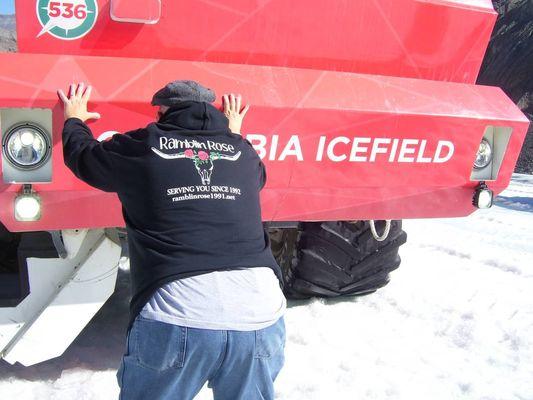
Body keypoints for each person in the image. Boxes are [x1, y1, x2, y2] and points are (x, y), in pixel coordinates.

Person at [58, 80, 287, 400]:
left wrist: (74, 119)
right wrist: (232, 134)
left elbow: (84, 157)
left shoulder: (142, 146)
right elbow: (255, 178)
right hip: (260, 315)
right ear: (211, 111)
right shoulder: (243, 152)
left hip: (179, 314)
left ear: (163, 111)